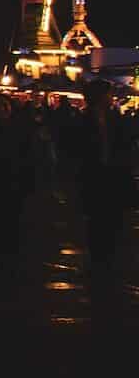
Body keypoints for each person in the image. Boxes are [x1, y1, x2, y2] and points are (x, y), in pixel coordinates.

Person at [62, 80, 133, 278]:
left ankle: (107, 257)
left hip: (113, 176)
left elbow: (124, 145)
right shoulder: (83, 119)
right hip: (93, 177)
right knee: (96, 221)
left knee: (112, 220)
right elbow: (74, 149)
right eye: (109, 94)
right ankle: (99, 259)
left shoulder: (115, 119)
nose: (112, 97)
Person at [0, 96, 33, 276]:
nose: (2, 110)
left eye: (5, 106)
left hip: (15, 180)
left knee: (13, 218)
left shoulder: (20, 129)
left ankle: (11, 253)